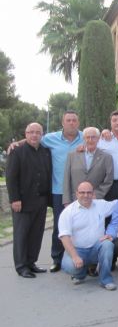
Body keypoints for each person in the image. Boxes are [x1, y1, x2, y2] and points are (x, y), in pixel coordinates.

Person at [9, 110, 83, 272]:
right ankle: (56, 259)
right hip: (58, 191)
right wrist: (17, 143)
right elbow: (33, 139)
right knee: (58, 226)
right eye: (68, 120)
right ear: (62, 123)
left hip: (81, 191)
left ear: (78, 122)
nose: (71, 123)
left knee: (80, 225)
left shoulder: (86, 137)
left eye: (74, 120)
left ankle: (78, 257)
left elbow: (103, 138)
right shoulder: (50, 139)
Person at [6, 123, 52, 278]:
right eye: (31, 132)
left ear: (42, 134)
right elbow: (11, 178)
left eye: (37, 132)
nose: (34, 135)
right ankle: (21, 266)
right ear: (25, 134)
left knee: (36, 234)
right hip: (22, 202)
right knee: (21, 234)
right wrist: (15, 199)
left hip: (41, 200)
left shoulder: (45, 151)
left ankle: (31, 262)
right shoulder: (17, 151)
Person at [58, 182, 117, 290]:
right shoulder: (68, 212)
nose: (86, 195)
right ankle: (80, 274)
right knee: (70, 266)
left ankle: (105, 280)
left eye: (89, 192)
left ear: (93, 194)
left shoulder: (101, 205)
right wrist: (75, 257)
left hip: (96, 248)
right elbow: (64, 237)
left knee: (108, 244)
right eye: (82, 192)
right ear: (77, 194)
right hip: (78, 251)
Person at [63, 127, 113, 205]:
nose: (90, 140)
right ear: (84, 139)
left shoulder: (106, 157)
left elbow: (108, 180)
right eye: (87, 137)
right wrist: (66, 201)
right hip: (75, 201)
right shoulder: (72, 156)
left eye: (93, 137)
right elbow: (67, 179)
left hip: (96, 201)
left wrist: (96, 195)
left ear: (98, 138)